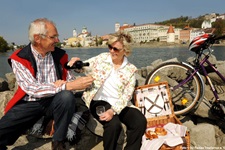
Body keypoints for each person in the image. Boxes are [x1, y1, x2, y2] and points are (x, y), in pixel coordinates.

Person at [0, 18, 94, 150]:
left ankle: (58, 142)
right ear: (37, 38)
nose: (57, 40)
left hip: (55, 101)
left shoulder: (60, 56)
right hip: (30, 103)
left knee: (66, 96)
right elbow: (32, 88)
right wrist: (65, 85)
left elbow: (72, 82)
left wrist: (76, 71)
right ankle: (40, 123)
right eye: (53, 37)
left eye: (57, 36)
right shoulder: (20, 58)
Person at [68, 31, 147, 150]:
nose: (111, 51)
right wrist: (74, 64)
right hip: (100, 100)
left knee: (140, 121)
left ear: (125, 51)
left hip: (120, 103)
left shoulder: (131, 70)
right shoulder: (102, 58)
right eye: (110, 47)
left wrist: (113, 110)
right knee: (113, 125)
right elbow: (85, 66)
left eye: (116, 49)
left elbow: (127, 95)